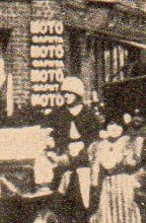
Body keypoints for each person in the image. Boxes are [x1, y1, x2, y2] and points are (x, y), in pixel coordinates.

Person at [43, 76, 102, 206]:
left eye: (69, 93)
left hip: (85, 158)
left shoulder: (88, 114)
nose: (66, 96)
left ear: (77, 94)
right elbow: (52, 134)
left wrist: (83, 148)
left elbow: (94, 139)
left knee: (86, 184)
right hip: (63, 156)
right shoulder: (58, 114)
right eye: (64, 93)